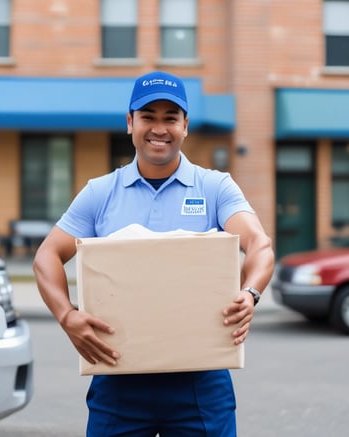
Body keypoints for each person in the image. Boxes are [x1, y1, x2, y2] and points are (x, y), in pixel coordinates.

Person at [33, 70, 275, 437]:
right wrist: (67, 316)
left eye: (170, 118)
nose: (159, 128)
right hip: (118, 376)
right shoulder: (101, 193)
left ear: (185, 126)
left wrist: (251, 292)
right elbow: (46, 257)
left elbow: (259, 245)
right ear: (130, 123)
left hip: (200, 381)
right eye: (148, 117)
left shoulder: (214, 187)